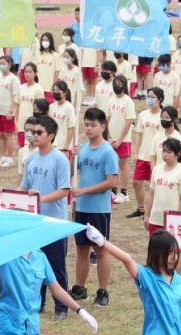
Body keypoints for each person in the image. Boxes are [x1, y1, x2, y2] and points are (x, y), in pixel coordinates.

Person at [13, 116, 72, 317]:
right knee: (34, 263)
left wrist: (40, 200)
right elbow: (25, 186)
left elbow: (64, 190)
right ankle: (38, 302)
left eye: (39, 132)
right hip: (34, 221)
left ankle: (62, 307)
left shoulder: (60, 159)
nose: (34, 135)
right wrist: (10, 194)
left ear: (51, 135)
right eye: (32, 132)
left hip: (54, 221)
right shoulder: (30, 159)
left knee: (56, 265)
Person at [70, 108, 118, 307]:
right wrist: (72, 157)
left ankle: (103, 291)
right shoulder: (82, 149)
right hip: (81, 207)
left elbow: (111, 182)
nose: (88, 129)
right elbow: (72, 171)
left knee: (100, 250)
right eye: (86, 125)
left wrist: (84, 191)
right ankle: (80, 289)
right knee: (81, 248)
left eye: (93, 125)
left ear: (103, 126)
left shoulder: (108, 152)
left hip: (98, 209)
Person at [144, 138, 181, 236]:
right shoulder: (157, 169)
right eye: (164, 151)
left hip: (172, 221)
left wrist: (180, 219)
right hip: (155, 219)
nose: (165, 154)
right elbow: (151, 194)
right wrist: (147, 215)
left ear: (178, 154)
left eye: (169, 152)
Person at [128, 87, 163, 219]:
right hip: (143, 155)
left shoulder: (163, 115)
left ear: (160, 100)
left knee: (154, 186)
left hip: (157, 156)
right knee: (136, 182)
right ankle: (141, 208)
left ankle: (153, 209)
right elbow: (138, 134)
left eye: (153, 97)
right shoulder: (143, 115)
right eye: (148, 96)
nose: (150, 99)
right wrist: (135, 152)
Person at [106, 75, 136, 204]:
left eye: (119, 83)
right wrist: (108, 137)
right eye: (115, 83)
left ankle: (123, 192)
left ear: (124, 85)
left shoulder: (128, 101)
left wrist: (120, 140)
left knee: (122, 165)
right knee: (112, 166)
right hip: (111, 139)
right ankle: (112, 190)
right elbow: (107, 119)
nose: (116, 86)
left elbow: (129, 121)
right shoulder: (111, 100)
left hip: (123, 140)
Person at [17, 63, 44, 149]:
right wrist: (16, 120)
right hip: (22, 123)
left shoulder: (38, 89)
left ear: (35, 73)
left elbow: (41, 108)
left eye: (30, 72)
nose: (27, 74)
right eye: (25, 72)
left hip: (33, 124)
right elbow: (17, 104)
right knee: (22, 148)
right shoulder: (20, 88)